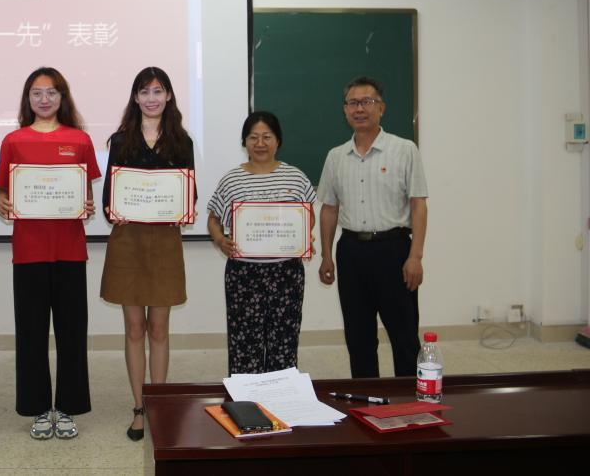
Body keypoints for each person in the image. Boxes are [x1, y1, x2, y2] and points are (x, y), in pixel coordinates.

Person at [0, 67, 100, 440]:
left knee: (72, 333)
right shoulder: (13, 140)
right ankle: (38, 408)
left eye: (51, 92)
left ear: (62, 97)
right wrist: (2, 202)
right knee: (31, 335)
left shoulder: (79, 140)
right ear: (28, 99)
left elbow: (85, 194)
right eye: (37, 93)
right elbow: (2, 191)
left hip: (70, 250)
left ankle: (68, 407)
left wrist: (86, 205)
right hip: (29, 252)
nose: (44, 99)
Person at [100, 67, 194, 441]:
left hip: (165, 242)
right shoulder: (121, 140)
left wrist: (182, 209)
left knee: (159, 328)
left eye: (158, 91)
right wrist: (117, 209)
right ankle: (139, 407)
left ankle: (160, 404)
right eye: (144, 92)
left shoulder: (181, 142)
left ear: (168, 95)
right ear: (135, 98)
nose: (151, 98)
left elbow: (189, 196)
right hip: (128, 241)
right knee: (135, 328)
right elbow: (109, 199)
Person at [316, 76, 428, 378]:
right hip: (351, 252)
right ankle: (366, 396)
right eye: (352, 103)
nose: (359, 109)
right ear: (345, 110)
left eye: (367, 102)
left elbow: (418, 204)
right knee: (358, 336)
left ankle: (409, 396)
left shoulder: (404, 149)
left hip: (395, 250)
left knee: (404, 334)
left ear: (381, 108)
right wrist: (326, 256)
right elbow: (329, 209)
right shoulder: (336, 157)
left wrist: (415, 256)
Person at [207, 112, 316, 375]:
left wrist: (304, 236)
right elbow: (213, 219)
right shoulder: (231, 179)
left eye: (267, 137)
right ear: (244, 142)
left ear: (278, 140)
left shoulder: (295, 177)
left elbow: (308, 217)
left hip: (286, 272)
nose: (260, 143)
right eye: (253, 137)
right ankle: (246, 398)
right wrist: (220, 240)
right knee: (244, 343)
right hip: (244, 273)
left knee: (284, 342)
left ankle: (281, 396)